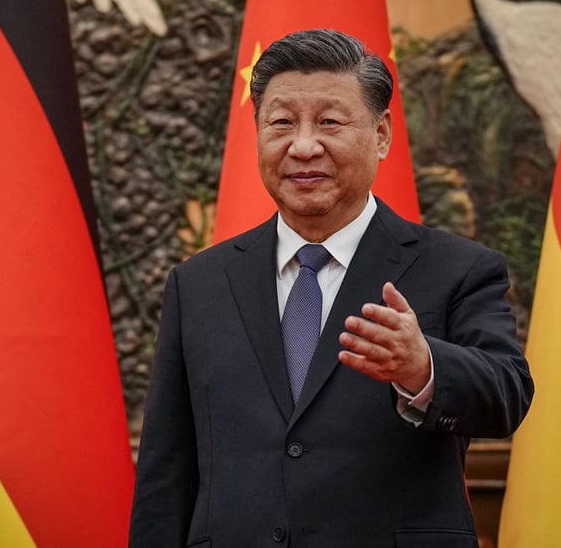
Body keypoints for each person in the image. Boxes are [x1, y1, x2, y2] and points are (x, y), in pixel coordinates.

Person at [129, 29, 533, 547]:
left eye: (329, 122)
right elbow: (168, 466)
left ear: (381, 135)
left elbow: (508, 396)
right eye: (281, 123)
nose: (302, 145)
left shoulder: (457, 268)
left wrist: (422, 367)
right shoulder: (200, 283)